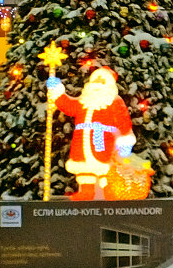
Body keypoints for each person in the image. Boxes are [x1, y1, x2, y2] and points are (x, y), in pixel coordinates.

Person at [47, 66, 136, 200]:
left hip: (104, 142)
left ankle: (108, 190)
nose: (97, 85)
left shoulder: (114, 102)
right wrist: (57, 90)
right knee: (84, 168)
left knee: (105, 168)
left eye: (102, 82)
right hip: (82, 143)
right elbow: (68, 106)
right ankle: (86, 192)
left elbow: (123, 121)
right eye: (95, 81)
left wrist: (126, 139)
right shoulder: (83, 102)